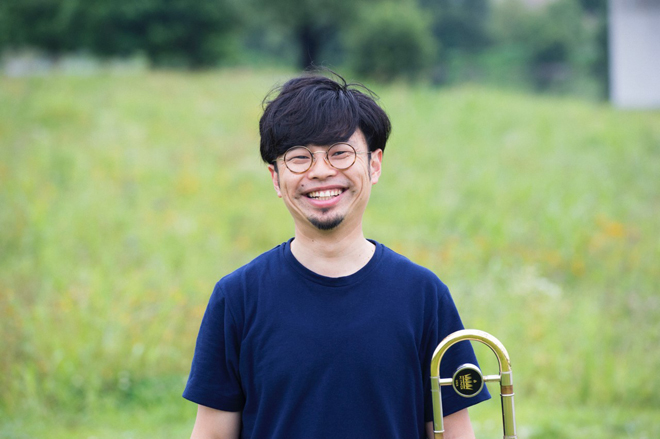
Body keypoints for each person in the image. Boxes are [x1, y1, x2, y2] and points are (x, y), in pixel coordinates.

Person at [183, 71, 490, 439]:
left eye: (340, 153)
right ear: (275, 178)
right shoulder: (237, 298)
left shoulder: (424, 295)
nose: (321, 171)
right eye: (299, 157)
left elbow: (454, 432)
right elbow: (213, 433)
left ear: (374, 165)